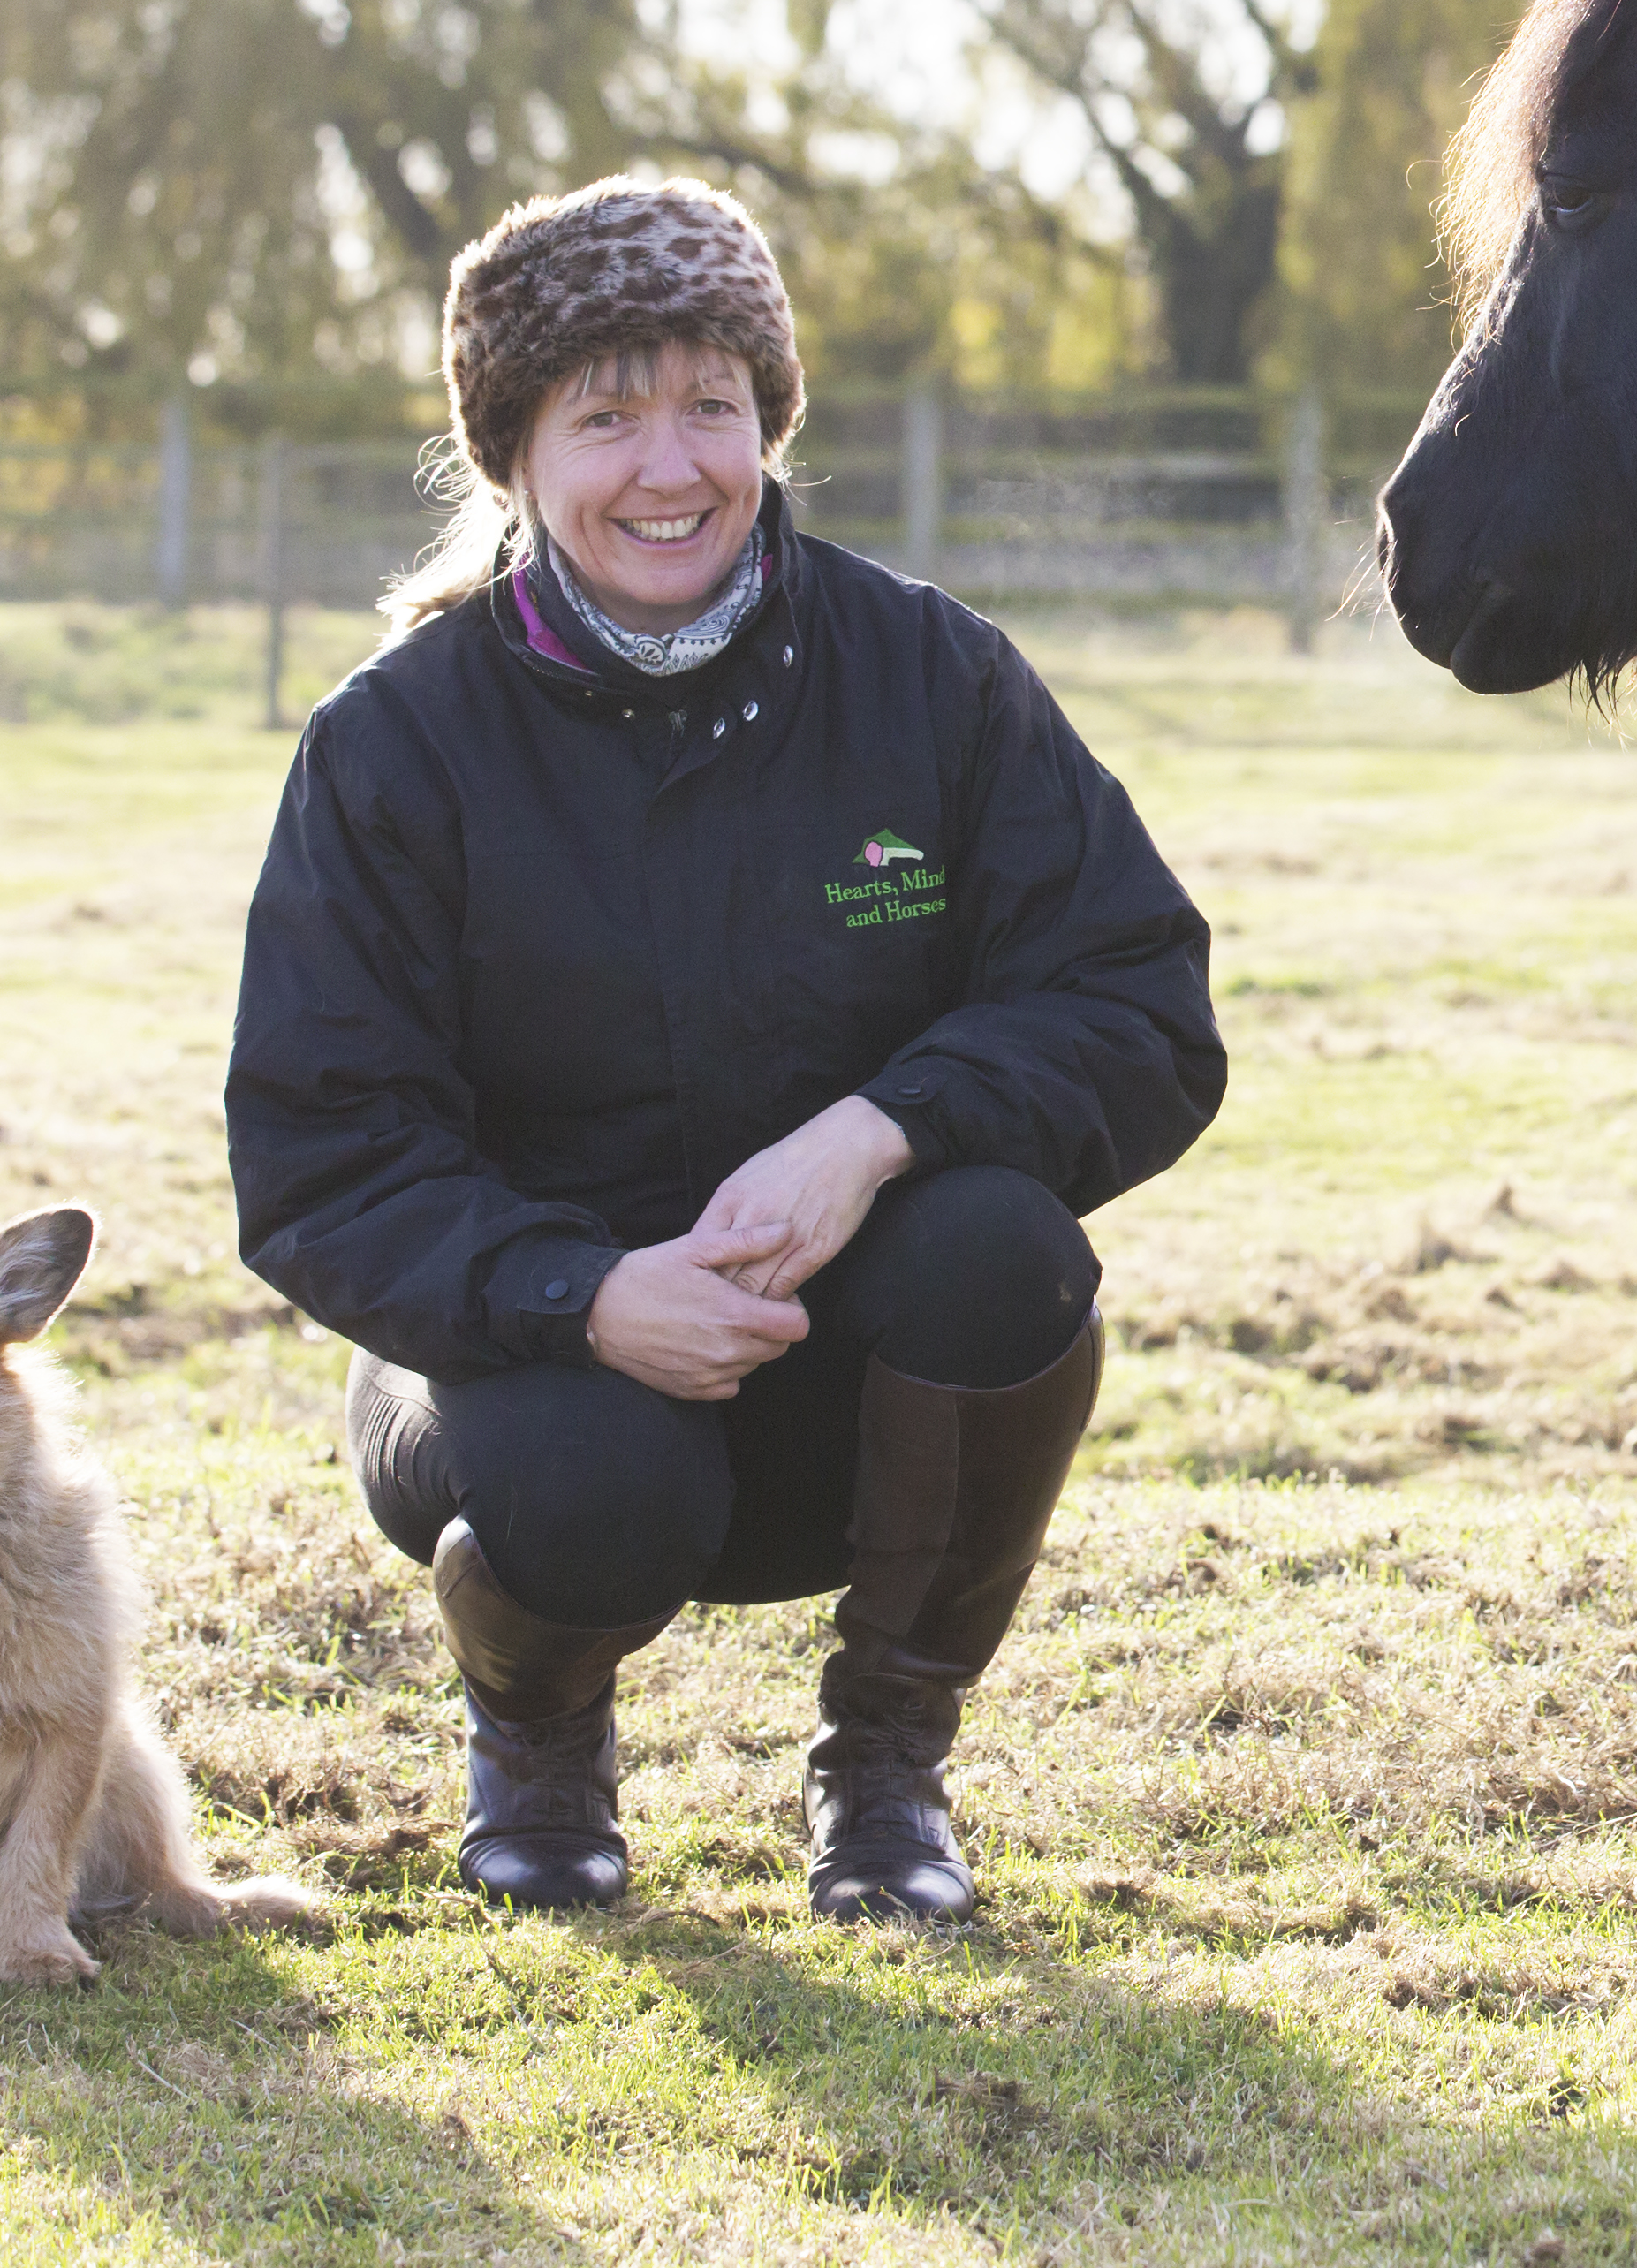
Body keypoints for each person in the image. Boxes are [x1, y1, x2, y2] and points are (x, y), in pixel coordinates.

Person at [224, 173, 1221, 1921]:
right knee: (594, 1476)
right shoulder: (394, 748)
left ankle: (887, 1774)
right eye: (606, 417)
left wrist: (880, 1132)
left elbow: (1137, 1000)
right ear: (510, 454)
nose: (671, 466)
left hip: (849, 1389)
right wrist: (584, 1297)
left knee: (1006, 1254)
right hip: (525, 1387)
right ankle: (535, 1741)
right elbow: (320, 1159)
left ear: (771, 419)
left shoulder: (933, 677)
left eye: (714, 406)